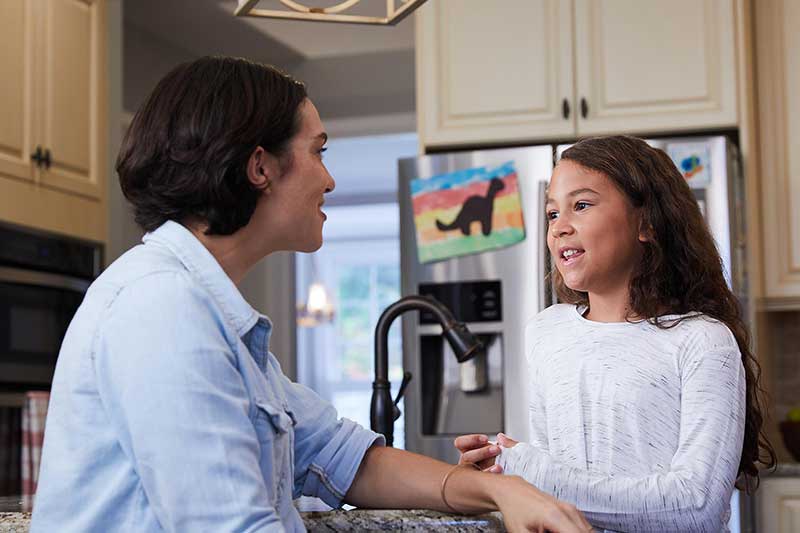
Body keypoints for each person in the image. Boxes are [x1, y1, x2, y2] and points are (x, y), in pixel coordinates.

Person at [29, 56, 591, 533]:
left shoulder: (212, 316)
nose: (329, 179)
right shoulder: (163, 310)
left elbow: (342, 457)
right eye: (318, 151)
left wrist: (501, 492)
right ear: (259, 168)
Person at [455, 136, 776, 532]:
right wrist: (502, 474)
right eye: (553, 214)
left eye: (582, 206)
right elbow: (552, 482)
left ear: (647, 223)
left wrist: (534, 475)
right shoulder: (545, 333)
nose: (560, 228)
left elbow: (697, 506)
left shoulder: (702, 342)